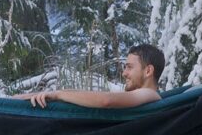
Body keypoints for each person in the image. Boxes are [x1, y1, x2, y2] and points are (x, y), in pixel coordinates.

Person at [13, 44, 165, 109]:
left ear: (148, 71)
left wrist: (58, 94)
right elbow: (102, 96)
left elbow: (106, 101)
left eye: (129, 67)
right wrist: (50, 94)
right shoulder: (143, 97)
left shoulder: (149, 94)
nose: (124, 73)